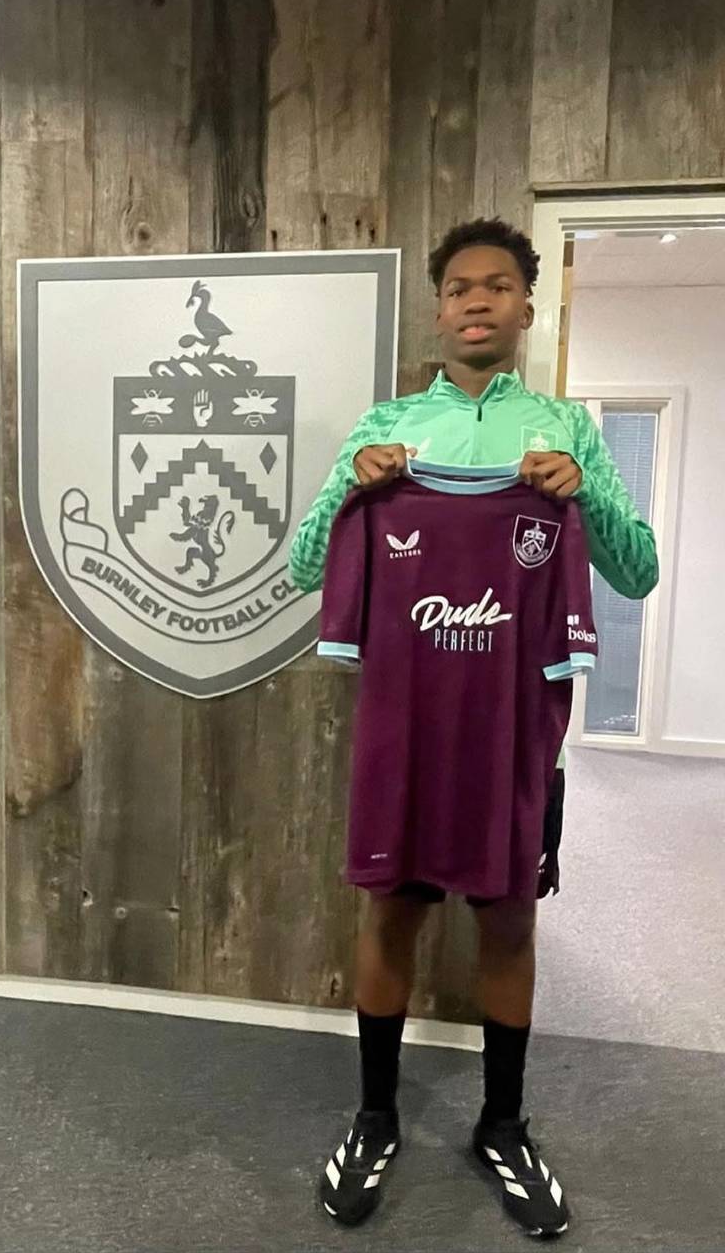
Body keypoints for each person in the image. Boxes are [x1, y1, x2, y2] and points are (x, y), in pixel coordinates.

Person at [289, 217, 659, 1239]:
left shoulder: (566, 429)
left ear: (527, 306)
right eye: (459, 286)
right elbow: (302, 566)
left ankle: (504, 1120)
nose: (478, 300)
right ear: (441, 307)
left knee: (508, 921)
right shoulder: (389, 425)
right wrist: (353, 488)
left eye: (499, 284)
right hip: (404, 733)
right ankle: (373, 1116)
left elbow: (636, 570)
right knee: (391, 915)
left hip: (515, 736)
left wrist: (586, 494)